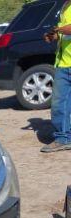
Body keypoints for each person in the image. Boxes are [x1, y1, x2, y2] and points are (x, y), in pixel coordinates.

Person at [42, 0, 71, 153]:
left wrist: (58, 29)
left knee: (62, 103)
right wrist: (53, 37)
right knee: (61, 104)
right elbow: (65, 35)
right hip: (63, 64)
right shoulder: (64, 7)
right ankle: (63, 138)